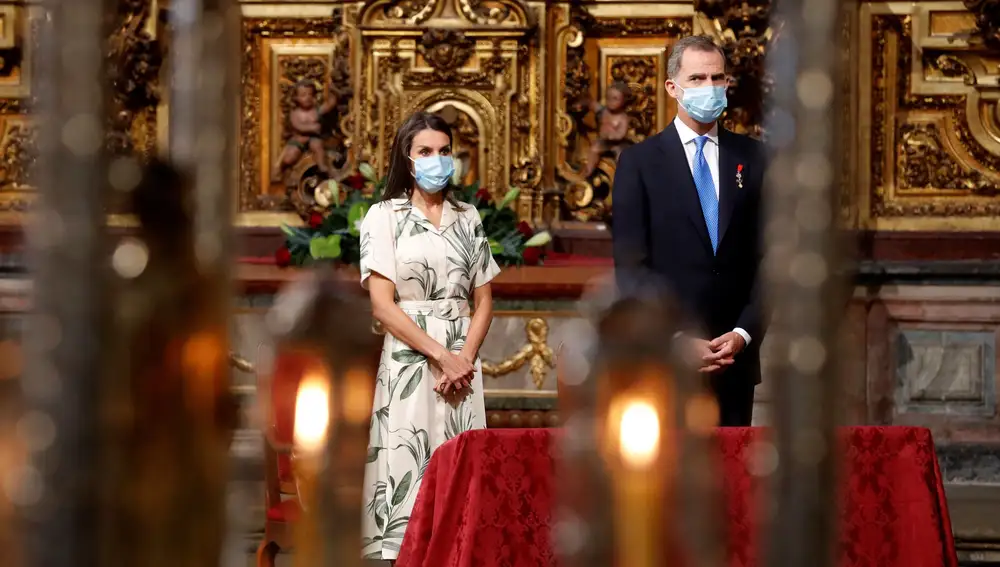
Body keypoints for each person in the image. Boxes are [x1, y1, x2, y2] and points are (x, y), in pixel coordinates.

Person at [359, 111, 500, 561]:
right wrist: (442, 356)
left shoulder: (468, 215)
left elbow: (484, 300)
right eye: (426, 151)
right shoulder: (383, 217)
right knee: (409, 466)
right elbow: (383, 305)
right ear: (407, 157)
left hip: (463, 364)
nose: (437, 160)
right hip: (412, 361)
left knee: (461, 466)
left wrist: (464, 358)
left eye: (444, 151)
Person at [611, 35, 768, 427]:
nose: (710, 88)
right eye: (697, 78)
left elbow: (771, 260)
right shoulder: (639, 163)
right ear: (673, 88)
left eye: (718, 79)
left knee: (732, 482)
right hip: (665, 360)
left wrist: (743, 332)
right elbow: (631, 269)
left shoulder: (754, 158)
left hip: (734, 358)